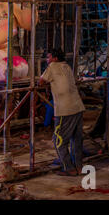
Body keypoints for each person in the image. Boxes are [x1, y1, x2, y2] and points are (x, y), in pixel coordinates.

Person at [38, 48, 86, 176]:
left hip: (65, 109)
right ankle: (79, 167)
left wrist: (46, 84)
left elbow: (41, 81)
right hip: (78, 106)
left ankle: (68, 168)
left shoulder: (52, 66)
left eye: (49, 57)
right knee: (76, 139)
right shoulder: (67, 66)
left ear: (55, 58)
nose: (47, 60)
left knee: (58, 140)